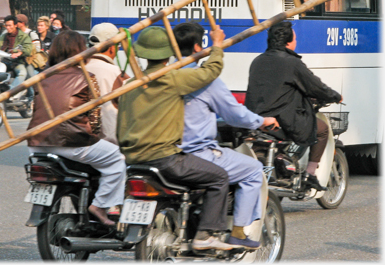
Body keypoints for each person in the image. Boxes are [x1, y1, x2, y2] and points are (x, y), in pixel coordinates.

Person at [117, 25, 243, 251]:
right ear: (168, 53)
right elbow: (211, 71)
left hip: (132, 161)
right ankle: (205, 235)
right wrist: (217, 45)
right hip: (165, 160)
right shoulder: (172, 78)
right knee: (219, 177)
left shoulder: (129, 85)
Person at [173, 22, 278, 249]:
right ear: (197, 46)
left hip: (164, 151)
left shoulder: (162, 75)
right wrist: (262, 121)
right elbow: (235, 115)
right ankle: (238, 232)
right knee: (253, 170)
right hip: (197, 153)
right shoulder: (203, 79)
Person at [27, 30, 126, 226]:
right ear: (81, 51)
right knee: (117, 160)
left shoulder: (41, 77)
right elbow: (95, 119)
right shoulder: (86, 77)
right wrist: (98, 137)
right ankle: (100, 205)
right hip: (71, 143)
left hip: (37, 144)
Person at [245, 21, 343, 191]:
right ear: (288, 43)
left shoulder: (257, 61)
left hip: (256, 118)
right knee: (321, 129)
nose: (296, 42)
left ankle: (284, 160)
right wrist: (335, 96)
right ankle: (310, 173)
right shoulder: (292, 63)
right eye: (295, 39)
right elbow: (315, 86)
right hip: (282, 120)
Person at [86, 22, 129, 145]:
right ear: (112, 48)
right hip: (110, 143)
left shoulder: (78, 67)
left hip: (81, 142)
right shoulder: (117, 74)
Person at [0, 15, 33, 100]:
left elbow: (28, 49)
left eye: (10, 25)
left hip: (17, 61)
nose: (8, 27)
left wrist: (19, 53)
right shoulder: (4, 35)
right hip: (3, 60)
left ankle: (11, 91)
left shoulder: (23, 36)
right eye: (6, 25)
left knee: (22, 72)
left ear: (16, 25)